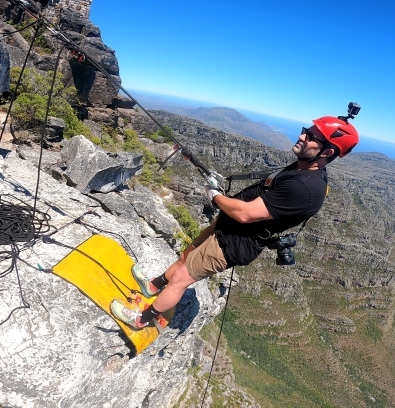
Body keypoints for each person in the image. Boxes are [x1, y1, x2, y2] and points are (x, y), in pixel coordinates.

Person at [111, 116, 359, 329]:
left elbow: (246, 214)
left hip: (235, 242)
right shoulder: (304, 166)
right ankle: (153, 286)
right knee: (187, 256)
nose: (302, 136)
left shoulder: (306, 188)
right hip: (227, 226)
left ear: (327, 152)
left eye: (312, 137)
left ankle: (143, 318)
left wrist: (216, 197)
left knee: (181, 279)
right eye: (306, 131)